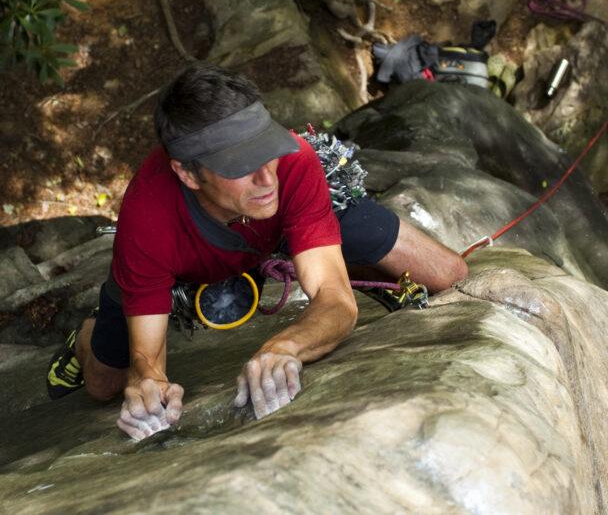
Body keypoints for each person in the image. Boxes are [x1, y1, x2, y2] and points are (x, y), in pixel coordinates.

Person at [47, 64, 467, 440]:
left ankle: (333, 253)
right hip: (190, 256)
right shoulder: (148, 216)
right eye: (240, 165)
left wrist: (283, 346)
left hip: (284, 226)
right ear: (187, 173)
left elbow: (335, 299)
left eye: (268, 149)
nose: (267, 178)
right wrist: (149, 386)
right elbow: (147, 358)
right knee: (103, 385)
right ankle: (85, 335)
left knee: (446, 273)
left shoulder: (294, 165)